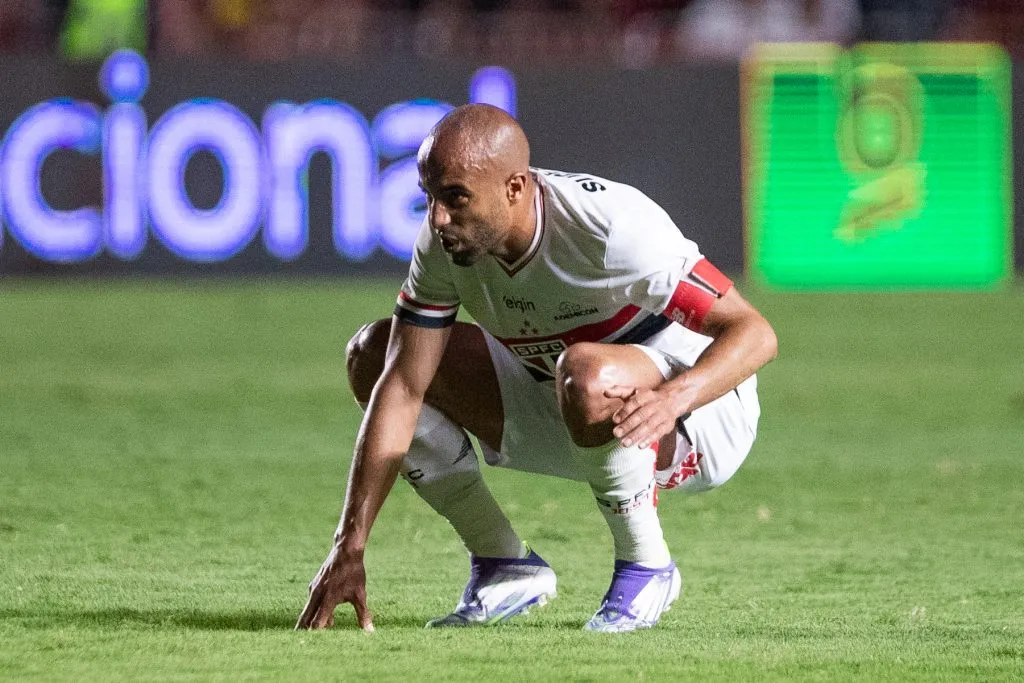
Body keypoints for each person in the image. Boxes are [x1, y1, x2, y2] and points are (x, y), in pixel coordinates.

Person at [296, 103, 777, 633]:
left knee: (587, 370)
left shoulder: (610, 229)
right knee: (373, 354)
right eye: (429, 196)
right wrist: (350, 543)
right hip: (565, 393)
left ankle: (647, 566)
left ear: (515, 188)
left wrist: (673, 399)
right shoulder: (442, 245)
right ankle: (505, 567)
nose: (437, 218)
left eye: (455, 198)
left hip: (695, 416)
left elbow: (754, 333)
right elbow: (405, 386)